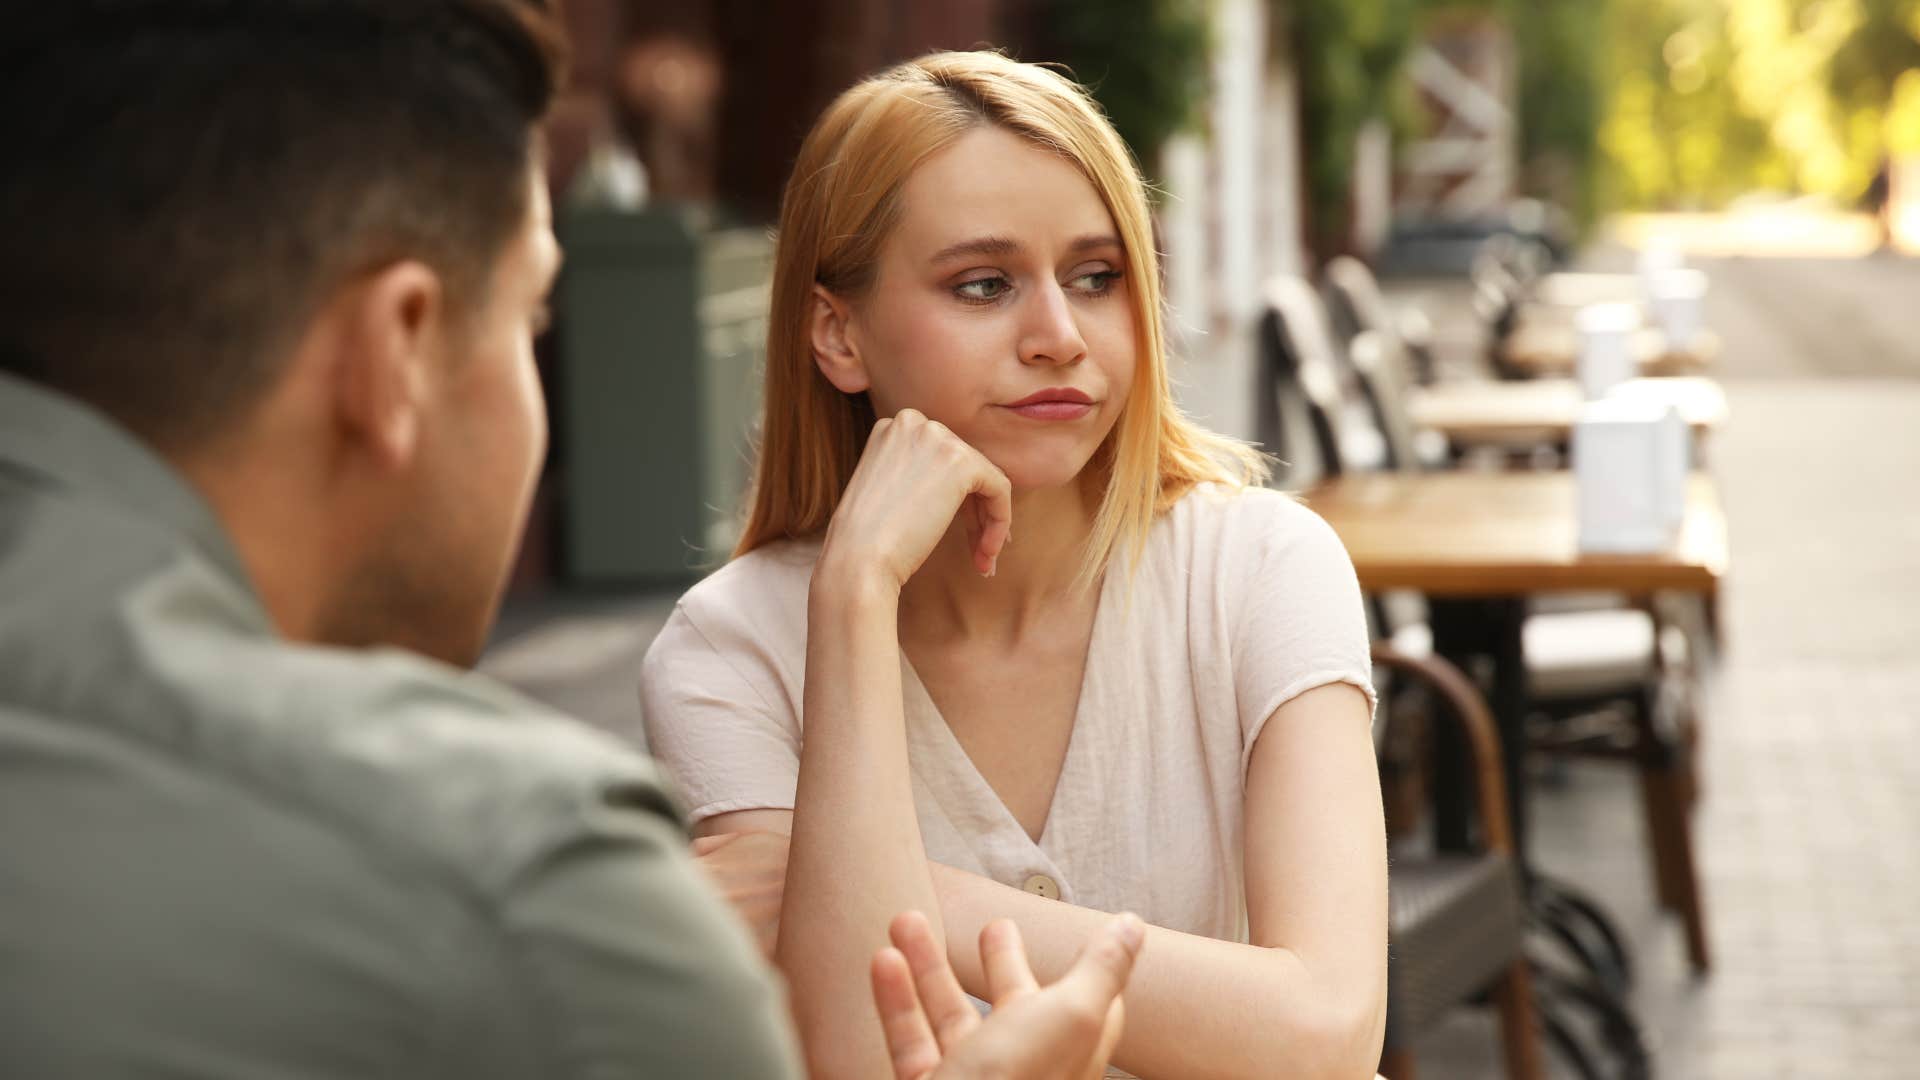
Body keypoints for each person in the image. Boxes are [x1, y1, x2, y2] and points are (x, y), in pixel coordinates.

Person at [0, 5, 1140, 1078]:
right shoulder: (521, 886)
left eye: (1097, 278)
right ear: (395, 352)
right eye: (530, 316)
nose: (1056, 334)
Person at [640, 51, 1389, 1080]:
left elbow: (1328, 1035)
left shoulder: (1261, 570)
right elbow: (851, 1062)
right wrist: (854, 595)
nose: (1058, 336)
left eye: (1097, 277)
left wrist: (869, 885)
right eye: (984, 285)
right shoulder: (733, 648)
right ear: (837, 333)